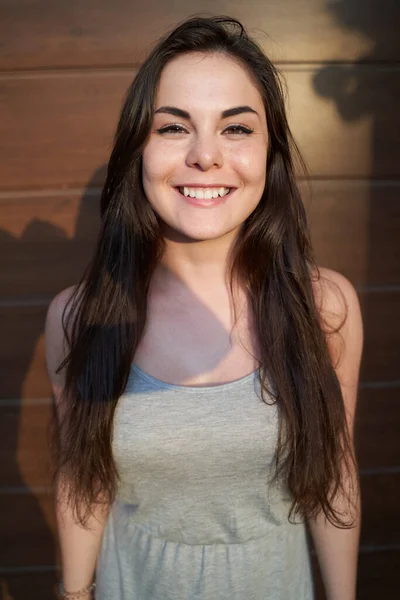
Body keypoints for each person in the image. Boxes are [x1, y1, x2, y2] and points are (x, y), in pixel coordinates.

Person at [44, 15, 363, 600]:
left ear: (269, 151)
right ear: (138, 146)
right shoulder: (78, 316)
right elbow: (82, 482)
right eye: (173, 128)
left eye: (236, 129)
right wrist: (73, 593)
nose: (205, 157)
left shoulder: (325, 306)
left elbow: (334, 473)